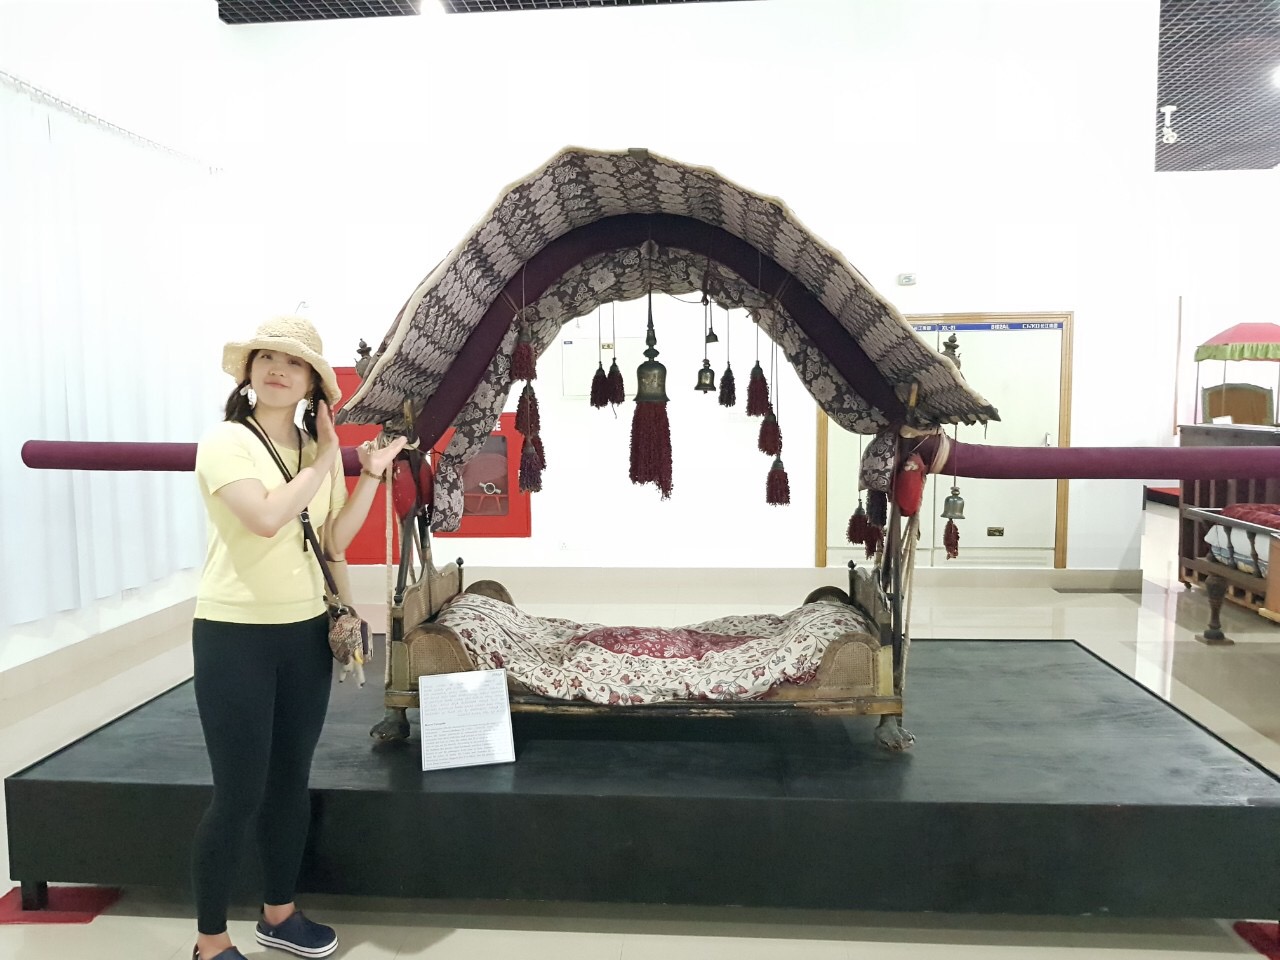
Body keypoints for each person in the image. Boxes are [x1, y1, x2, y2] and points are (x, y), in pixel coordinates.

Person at [190, 316, 405, 960]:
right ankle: (209, 941)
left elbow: (333, 540)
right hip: (234, 634)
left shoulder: (317, 455)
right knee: (238, 793)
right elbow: (264, 517)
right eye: (267, 358)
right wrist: (324, 462)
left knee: (290, 781)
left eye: (294, 362)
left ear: (313, 383)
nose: (278, 369)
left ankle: (279, 914)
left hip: (305, 632)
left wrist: (368, 475)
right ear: (249, 373)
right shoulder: (227, 441)